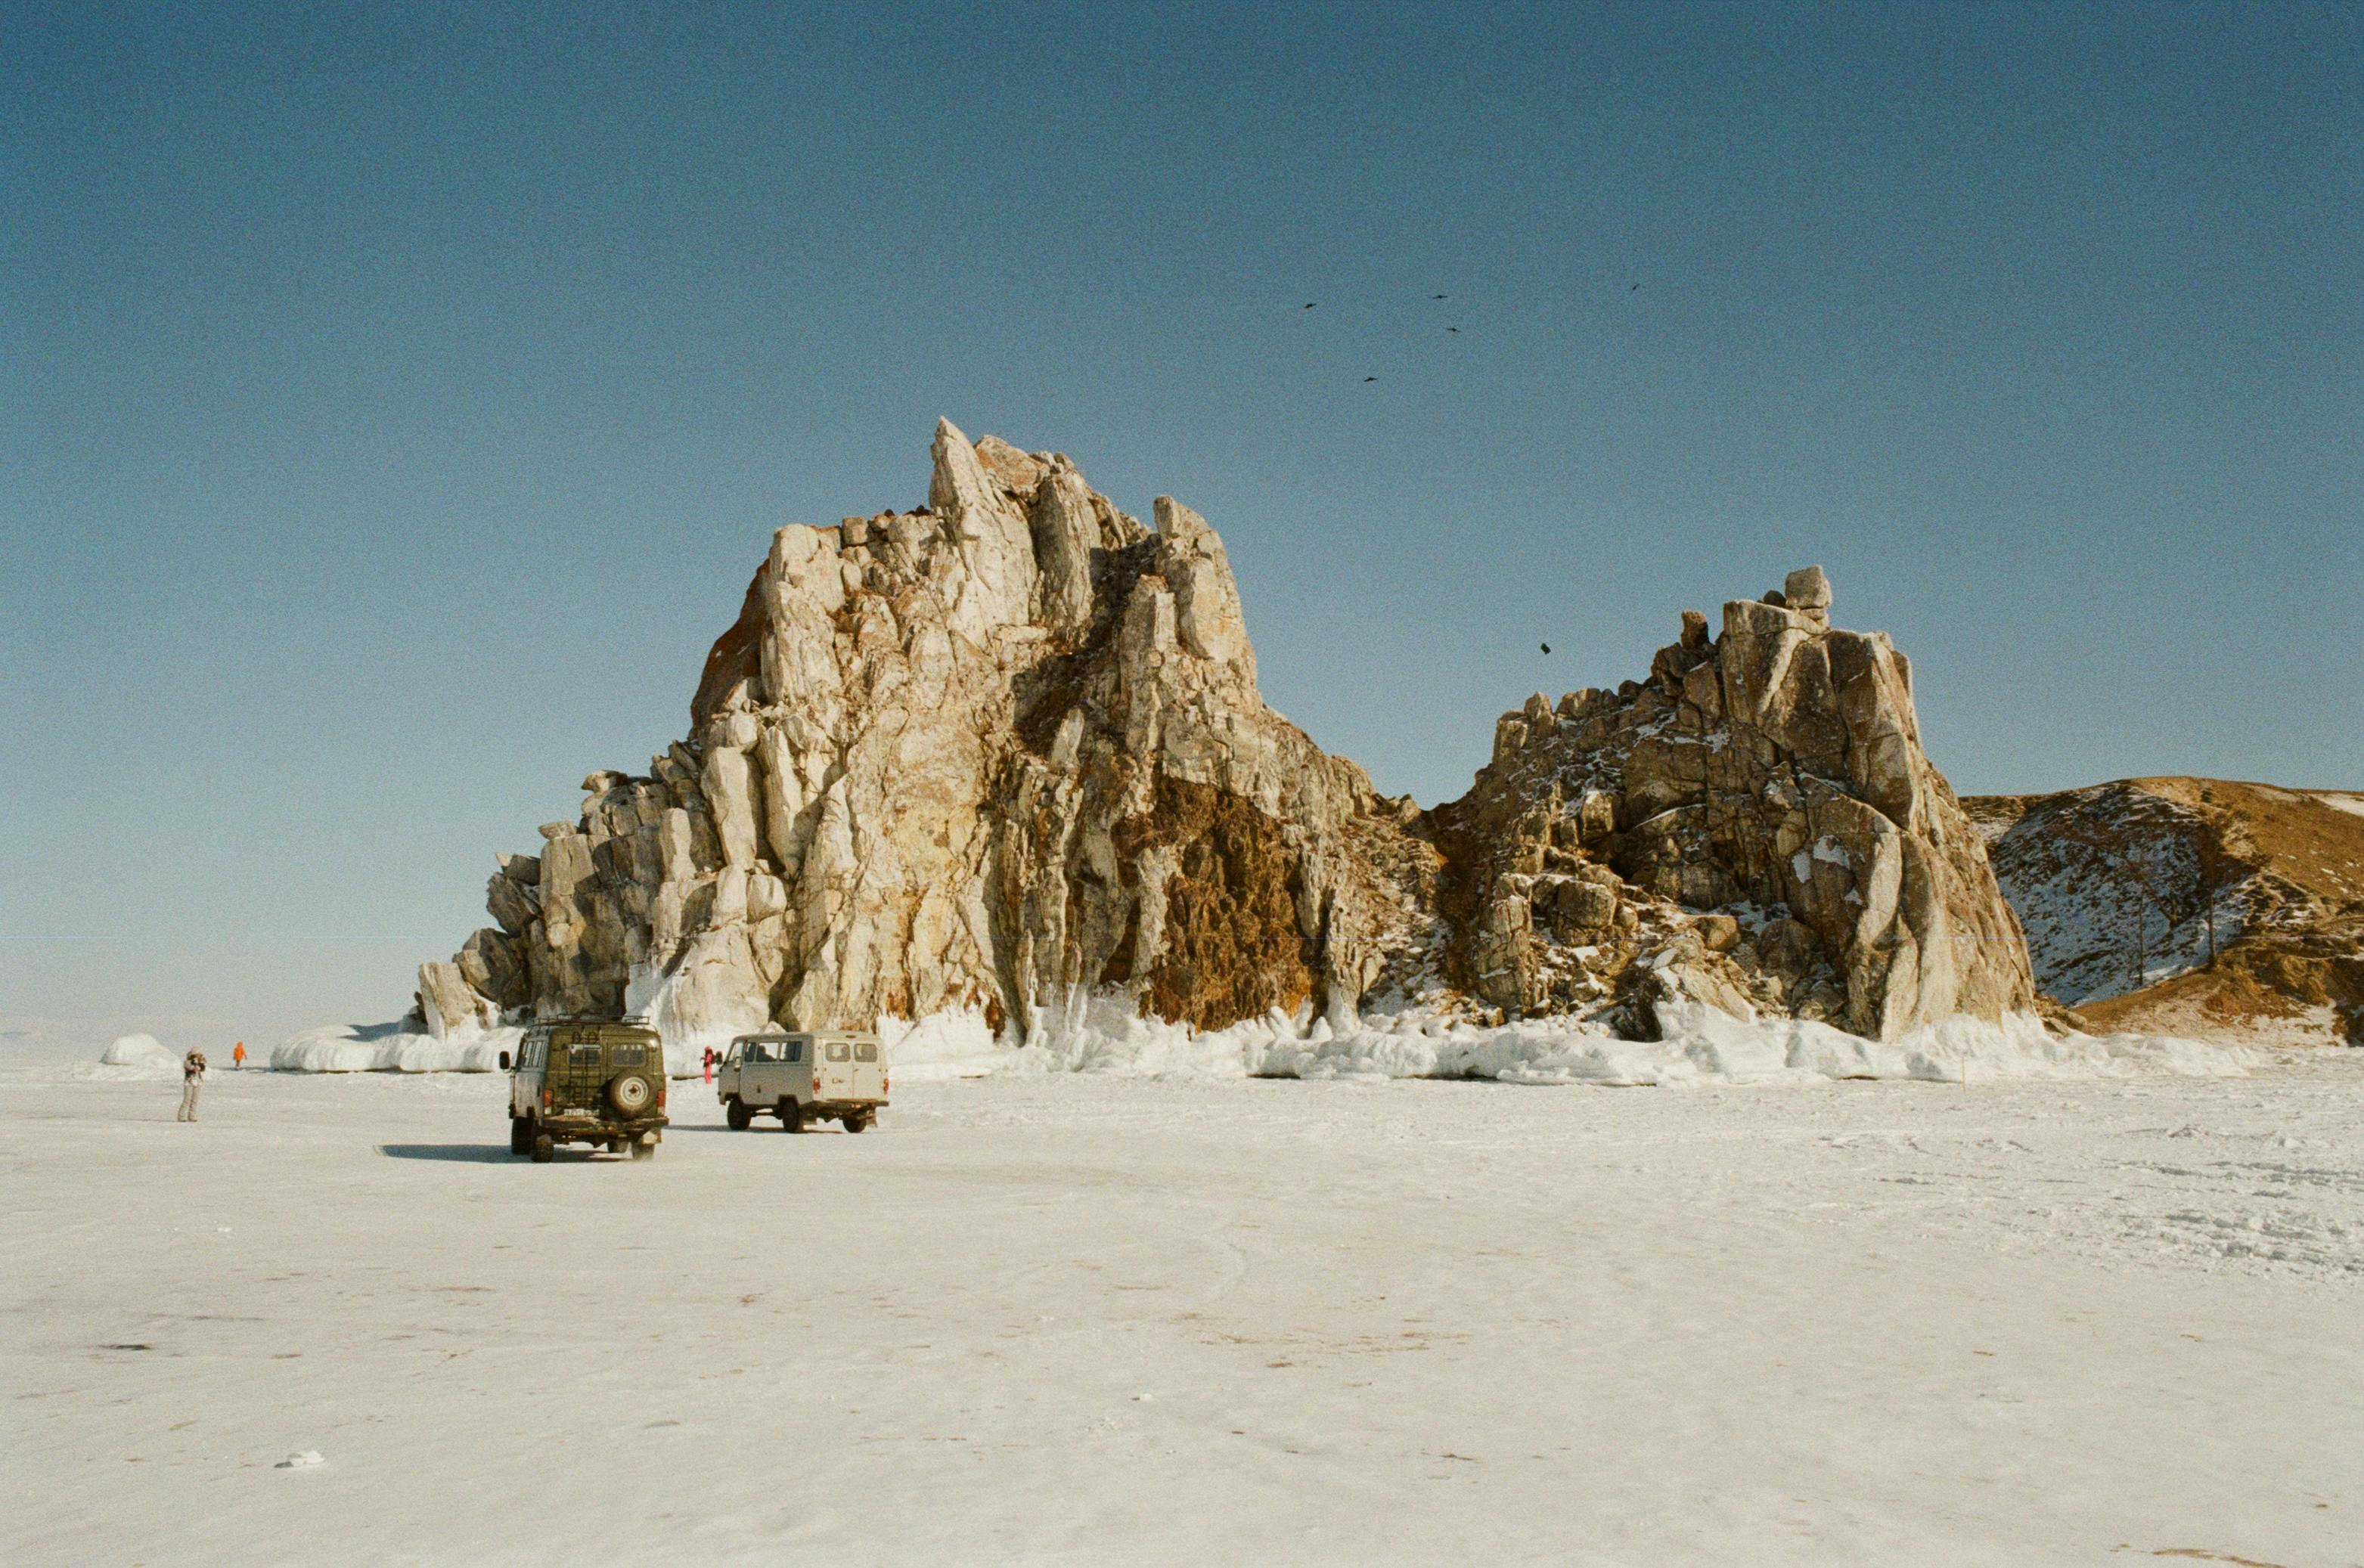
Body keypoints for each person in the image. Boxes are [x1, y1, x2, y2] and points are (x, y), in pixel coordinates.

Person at [178, 1049, 207, 1122]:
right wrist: (195, 1064)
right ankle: (181, 1116)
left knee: (194, 1101)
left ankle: (192, 1116)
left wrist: (200, 1064)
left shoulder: (199, 1063)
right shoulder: (187, 1062)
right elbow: (191, 1068)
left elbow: (202, 1068)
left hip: (197, 1083)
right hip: (189, 1083)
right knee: (187, 1100)